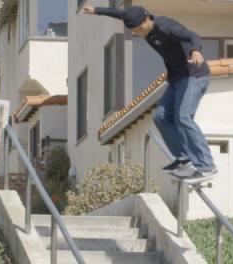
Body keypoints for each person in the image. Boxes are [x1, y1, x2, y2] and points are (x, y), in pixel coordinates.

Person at [81, 4, 217, 182]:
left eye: (140, 28)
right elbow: (120, 13)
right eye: (135, 30)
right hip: (177, 78)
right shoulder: (138, 20)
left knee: (183, 116)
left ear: (147, 19)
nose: (139, 32)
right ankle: (184, 158)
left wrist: (196, 50)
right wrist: (97, 10)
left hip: (194, 75)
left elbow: (192, 36)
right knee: (160, 116)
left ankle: (206, 165)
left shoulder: (166, 27)